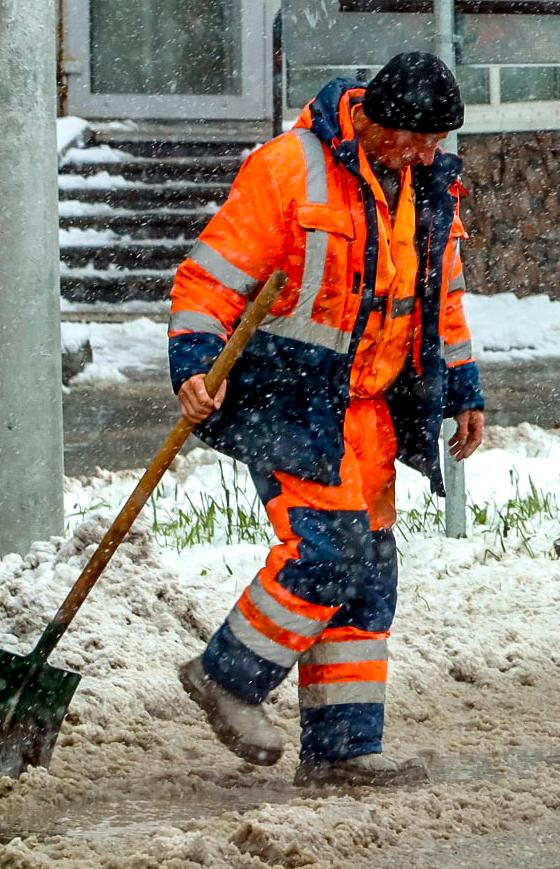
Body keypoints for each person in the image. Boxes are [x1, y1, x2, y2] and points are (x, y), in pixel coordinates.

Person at [169, 52, 484, 789]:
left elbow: (441, 300)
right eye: (416, 139)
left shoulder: (429, 187)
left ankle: (342, 748)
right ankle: (228, 677)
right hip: (286, 398)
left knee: (369, 572)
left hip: (366, 410)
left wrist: (462, 389)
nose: (427, 154)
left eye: (437, 141)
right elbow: (209, 277)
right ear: (373, 119)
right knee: (326, 553)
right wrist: (193, 361)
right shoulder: (286, 169)